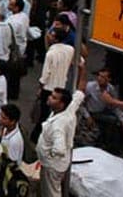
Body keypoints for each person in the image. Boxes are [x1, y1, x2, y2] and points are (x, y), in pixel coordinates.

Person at [36, 57, 87, 197]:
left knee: (52, 192)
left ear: (61, 104)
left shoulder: (59, 125)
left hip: (52, 166)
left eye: (54, 97)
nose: (49, 98)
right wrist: (82, 69)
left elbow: (59, 149)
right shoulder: (69, 108)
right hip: (57, 163)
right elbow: (81, 90)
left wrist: (48, 155)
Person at [32, 28, 73, 143]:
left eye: (51, 35)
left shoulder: (51, 53)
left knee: (43, 114)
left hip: (49, 87)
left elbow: (45, 74)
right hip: (62, 85)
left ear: (55, 39)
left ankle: (37, 137)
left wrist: (40, 87)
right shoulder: (70, 49)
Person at [82, 67, 123, 154]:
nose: (100, 79)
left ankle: (113, 147)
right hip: (92, 112)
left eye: (103, 77)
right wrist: (87, 116)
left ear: (109, 79)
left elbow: (115, 105)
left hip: (103, 111)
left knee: (120, 120)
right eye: (99, 76)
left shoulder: (110, 89)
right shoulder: (90, 87)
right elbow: (81, 103)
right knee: (112, 121)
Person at [5, 0, 29, 100]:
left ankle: (12, 94)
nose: (8, 6)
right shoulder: (24, 16)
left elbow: (7, 37)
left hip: (14, 50)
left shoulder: (12, 21)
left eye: (11, 4)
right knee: (16, 74)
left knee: (11, 73)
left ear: (17, 8)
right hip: (22, 47)